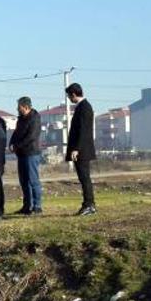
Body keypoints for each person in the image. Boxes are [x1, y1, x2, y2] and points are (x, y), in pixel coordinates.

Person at [65, 83, 97, 216]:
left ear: (73, 94)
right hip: (81, 149)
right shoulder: (83, 107)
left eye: (69, 96)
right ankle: (88, 204)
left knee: (85, 178)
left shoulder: (84, 107)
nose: (68, 98)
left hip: (82, 150)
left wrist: (76, 149)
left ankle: (89, 205)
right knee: (83, 177)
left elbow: (83, 131)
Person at [9, 96, 43, 215]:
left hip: (31, 153)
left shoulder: (34, 118)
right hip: (21, 154)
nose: (17, 109)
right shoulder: (21, 119)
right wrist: (11, 143)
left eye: (19, 107)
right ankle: (27, 205)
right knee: (24, 181)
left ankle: (37, 206)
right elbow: (16, 132)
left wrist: (17, 145)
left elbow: (31, 137)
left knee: (33, 180)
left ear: (26, 107)